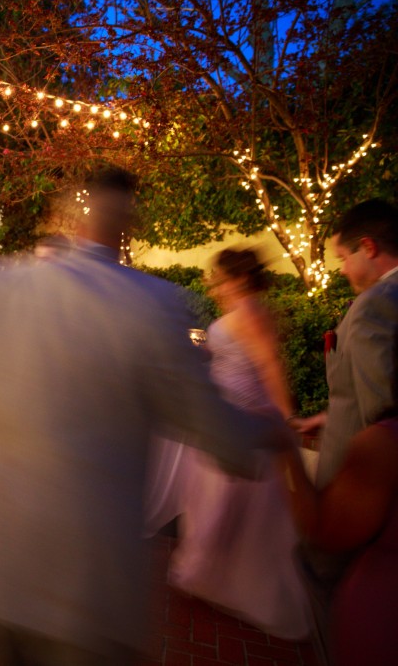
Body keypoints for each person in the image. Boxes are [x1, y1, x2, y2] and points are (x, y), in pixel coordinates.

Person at [0, 166, 292, 664]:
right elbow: (220, 433)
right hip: (91, 578)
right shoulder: (155, 303)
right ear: (127, 221)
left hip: (7, 559)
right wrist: (275, 434)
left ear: (72, 215)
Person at [168, 248, 310, 639]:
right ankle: (213, 575)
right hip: (226, 418)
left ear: (240, 279)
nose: (214, 285)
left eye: (220, 278)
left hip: (243, 421)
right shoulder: (246, 312)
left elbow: (269, 367)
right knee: (216, 505)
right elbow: (234, 358)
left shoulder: (250, 314)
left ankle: (219, 579)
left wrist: (287, 419)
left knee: (223, 505)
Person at [292, 197, 398, 661]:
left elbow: (383, 411)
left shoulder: (376, 304)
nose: (341, 269)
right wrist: (329, 414)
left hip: (358, 484)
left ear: (368, 246)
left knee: (321, 574)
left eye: (342, 257)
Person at [278, 417, 398, 665]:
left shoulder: (384, 444)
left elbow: (322, 529)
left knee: (313, 564)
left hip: (380, 628)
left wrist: (284, 450)